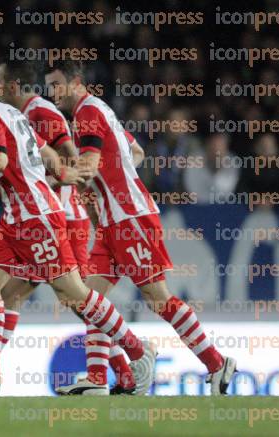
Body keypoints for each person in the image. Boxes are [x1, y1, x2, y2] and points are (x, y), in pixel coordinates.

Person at [0, 66, 157, 396]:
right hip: (17, 218)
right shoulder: (7, 111)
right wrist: (63, 177)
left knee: (73, 293)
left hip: (37, 218)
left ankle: (136, 351)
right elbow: (44, 153)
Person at [44, 60, 236, 395]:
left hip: (130, 218)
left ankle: (217, 363)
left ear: (76, 82)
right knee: (91, 298)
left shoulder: (88, 112)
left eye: (57, 85)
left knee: (157, 298)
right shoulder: (96, 111)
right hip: (112, 221)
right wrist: (114, 181)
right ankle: (97, 378)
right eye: (49, 87)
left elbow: (88, 166)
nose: (52, 93)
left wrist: (58, 175)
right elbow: (136, 151)